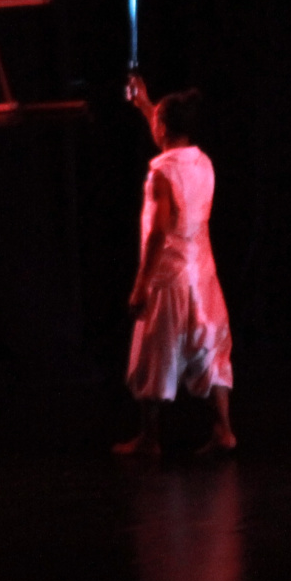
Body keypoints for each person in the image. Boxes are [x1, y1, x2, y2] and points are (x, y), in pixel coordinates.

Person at [115, 76, 235, 456]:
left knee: (155, 349)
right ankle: (224, 430)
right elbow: (168, 132)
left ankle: (150, 438)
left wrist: (140, 285)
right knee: (209, 349)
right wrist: (146, 105)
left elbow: (157, 234)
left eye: (156, 121)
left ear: (162, 128)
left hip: (169, 275)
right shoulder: (203, 162)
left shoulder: (161, 173)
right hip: (202, 270)